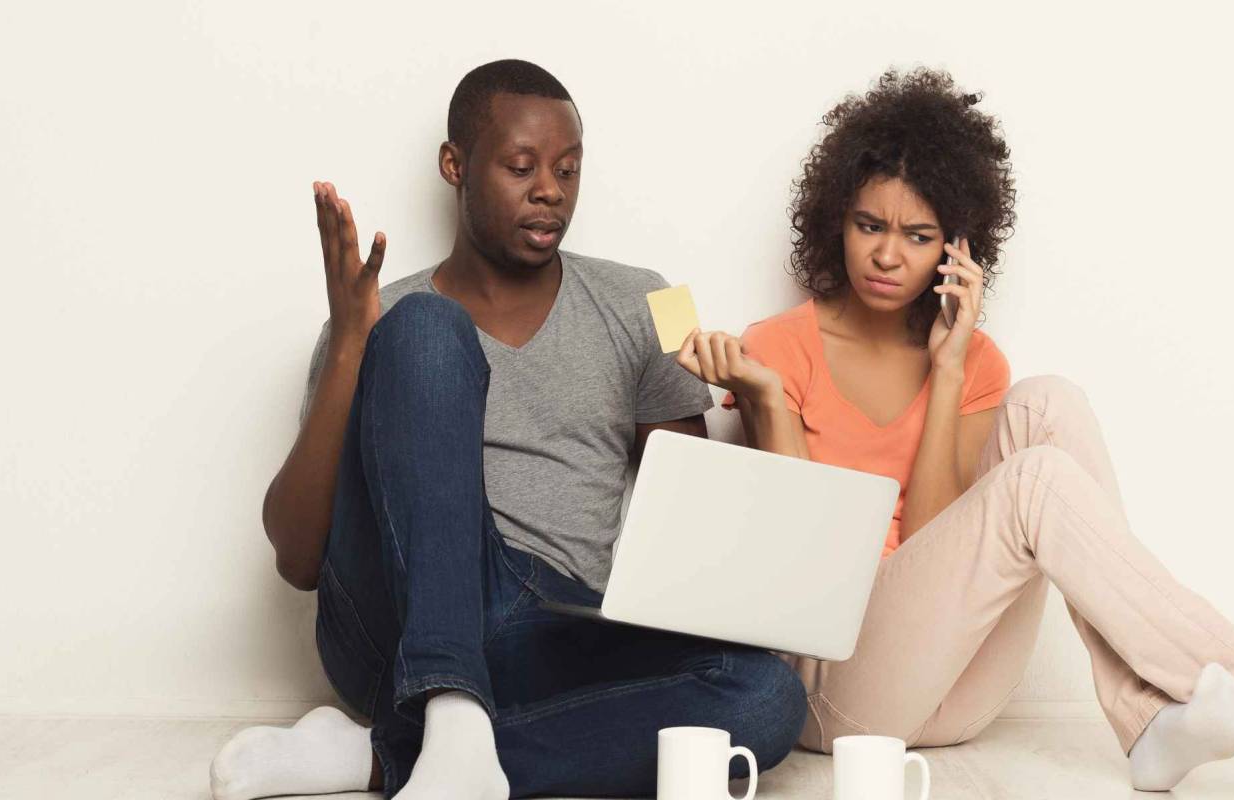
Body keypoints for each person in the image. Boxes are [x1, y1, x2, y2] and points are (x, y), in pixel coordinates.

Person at [676, 67, 1234, 800]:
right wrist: (766, 401)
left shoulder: (973, 361)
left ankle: (1144, 718)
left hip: (955, 687)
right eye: (870, 226)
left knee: (1050, 403)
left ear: (956, 250)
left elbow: (935, 538)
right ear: (838, 221)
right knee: (1035, 481)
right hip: (835, 691)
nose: (888, 256)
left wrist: (948, 372)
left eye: (917, 236)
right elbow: (803, 584)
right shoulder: (780, 348)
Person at [210, 59, 806, 800]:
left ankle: (384, 757)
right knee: (427, 326)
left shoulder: (649, 298)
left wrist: (756, 403)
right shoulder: (379, 314)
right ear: (455, 166)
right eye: (521, 166)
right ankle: (448, 704)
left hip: (553, 632)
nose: (550, 189)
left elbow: (684, 545)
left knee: (767, 698)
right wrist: (349, 348)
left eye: (568, 169)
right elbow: (298, 559)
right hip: (395, 631)